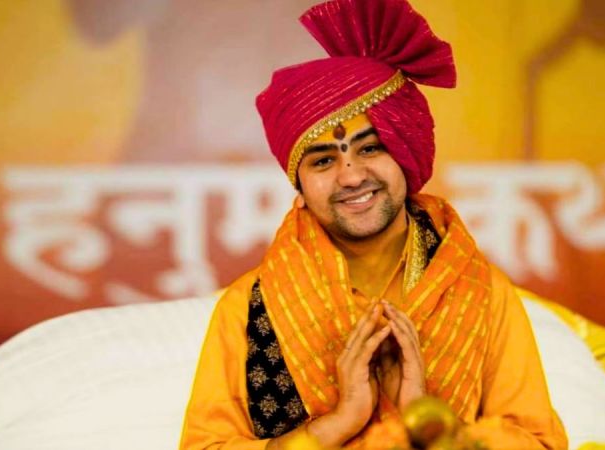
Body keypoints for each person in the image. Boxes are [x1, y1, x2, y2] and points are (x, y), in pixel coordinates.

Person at [180, 0, 567, 448]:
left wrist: (426, 418)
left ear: (405, 152)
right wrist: (337, 423)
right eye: (323, 161)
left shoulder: (480, 293)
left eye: (370, 149)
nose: (351, 176)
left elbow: (540, 443)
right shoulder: (250, 308)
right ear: (299, 184)